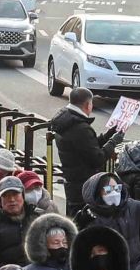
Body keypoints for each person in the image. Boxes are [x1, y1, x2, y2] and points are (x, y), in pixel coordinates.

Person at [47, 89, 122, 217]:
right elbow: (97, 158)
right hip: (84, 185)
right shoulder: (80, 128)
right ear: (88, 105)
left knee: (73, 219)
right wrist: (113, 142)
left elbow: (86, 147)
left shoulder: (66, 121)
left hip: (72, 182)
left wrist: (108, 135)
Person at [0, 174, 35, 267]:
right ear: (0, 199)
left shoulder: (37, 217)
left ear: (23, 195)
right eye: (6, 195)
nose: (11, 199)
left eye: (15, 194)